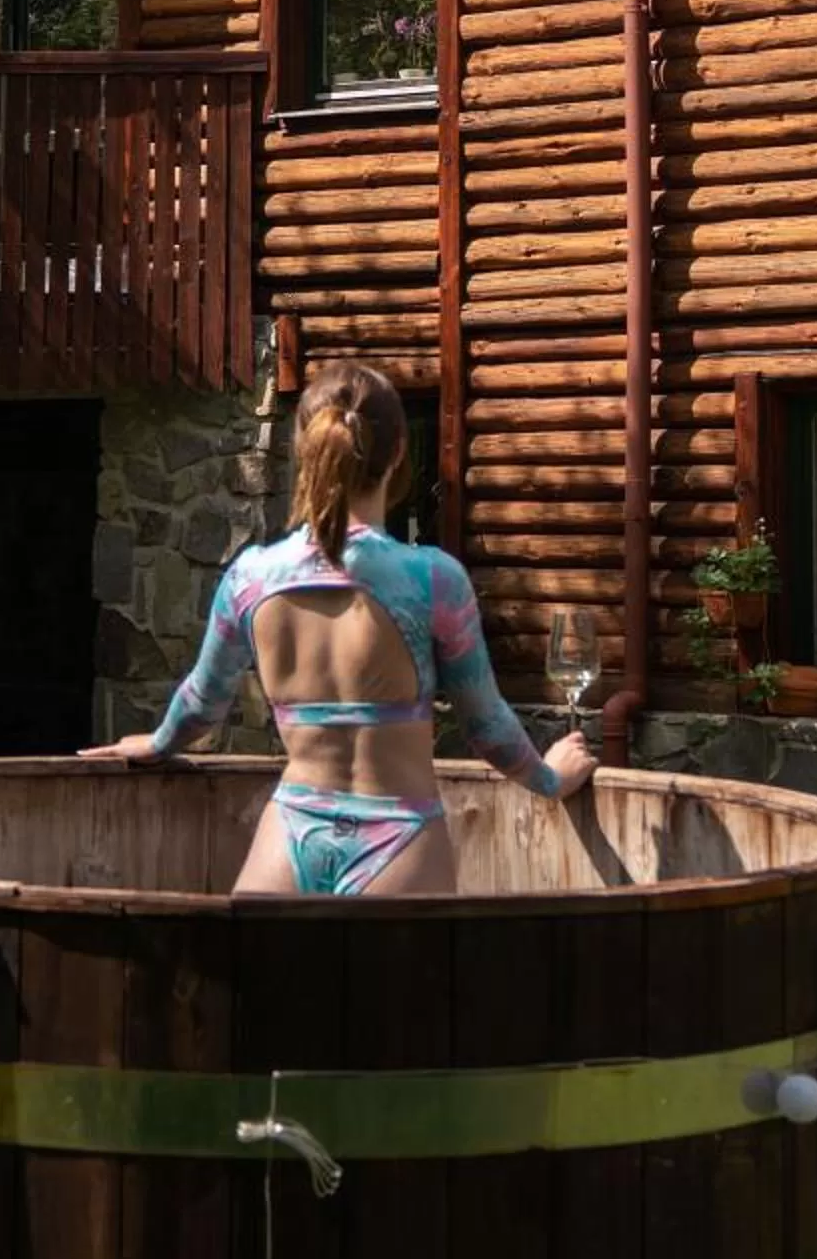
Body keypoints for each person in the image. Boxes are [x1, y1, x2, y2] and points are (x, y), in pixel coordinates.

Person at [84, 357, 595, 894]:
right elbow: (485, 725)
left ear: (303, 450)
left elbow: (203, 703)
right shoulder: (431, 580)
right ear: (399, 454)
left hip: (290, 833)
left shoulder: (251, 579)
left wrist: (159, 742)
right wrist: (549, 778)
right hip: (400, 840)